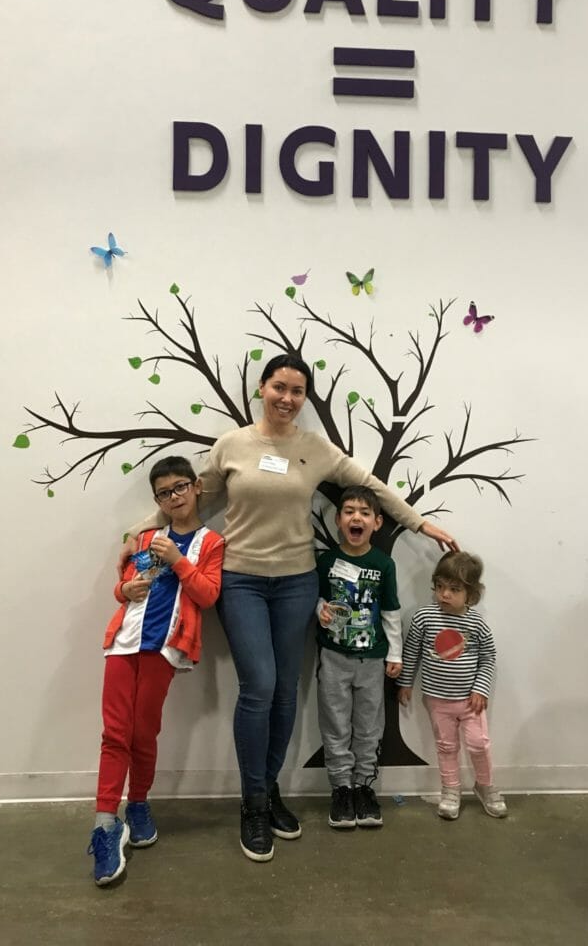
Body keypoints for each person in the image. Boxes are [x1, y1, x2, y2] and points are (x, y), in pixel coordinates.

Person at [126, 353, 458, 862]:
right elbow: (190, 500)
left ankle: (269, 791)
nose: (287, 398)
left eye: (297, 391)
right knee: (258, 687)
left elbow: (370, 486)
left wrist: (419, 524)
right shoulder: (233, 445)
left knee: (284, 690)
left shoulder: (315, 449)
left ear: (304, 399)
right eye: (279, 387)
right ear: (262, 388)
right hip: (240, 580)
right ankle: (252, 802)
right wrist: (141, 533)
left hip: (298, 582)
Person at [88, 456, 224, 886]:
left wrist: (179, 561)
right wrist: (123, 588)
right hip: (122, 643)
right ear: (157, 500)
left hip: (164, 649)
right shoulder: (144, 537)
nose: (174, 497)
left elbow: (207, 597)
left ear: (197, 487)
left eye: (180, 488)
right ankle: (105, 824)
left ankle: (139, 804)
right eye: (164, 493)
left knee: (142, 734)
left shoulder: (211, 542)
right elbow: (122, 586)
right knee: (115, 734)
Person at [396, 551, 507, 821]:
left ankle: (485, 785)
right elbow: (411, 652)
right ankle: (450, 790)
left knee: (479, 744)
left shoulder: (476, 622)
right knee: (446, 747)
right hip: (437, 699)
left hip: (470, 701)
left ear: (471, 594)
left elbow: (488, 657)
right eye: (440, 587)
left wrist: (480, 688)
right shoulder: (424, 618)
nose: (445, 594)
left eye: (454, 589)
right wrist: (405, 682)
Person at [315, 486, 402, 830]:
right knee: (335, 724)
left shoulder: (383, 564)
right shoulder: (326, 561)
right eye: (349, 511)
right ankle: (341, 789)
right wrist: (320, 610)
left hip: (372, 660)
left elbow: (392, 611)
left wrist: (395, 653)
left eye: (365, 513)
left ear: (377, 522)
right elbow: (314, 598)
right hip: (334, 656)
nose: (356, 517)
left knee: (369, 726)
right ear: (338, 520)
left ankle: (365, 787)